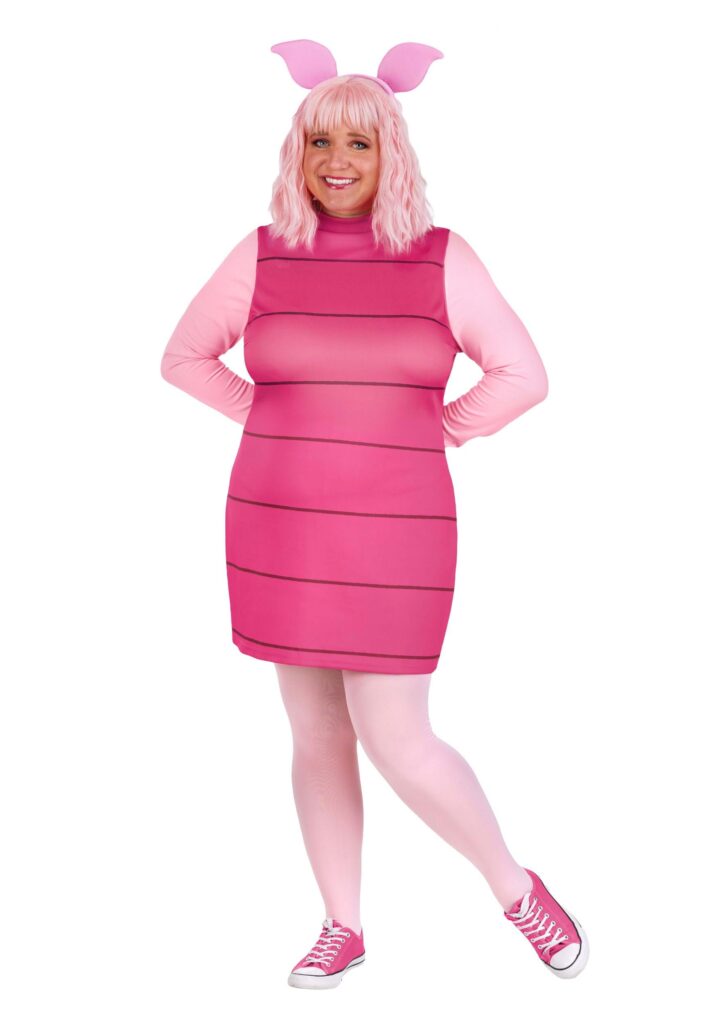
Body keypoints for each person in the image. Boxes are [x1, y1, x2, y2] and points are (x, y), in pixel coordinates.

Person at [160, 39, 589, 989]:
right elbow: (182, 358)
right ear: (297, 153)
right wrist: (271, 418)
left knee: (398, 737)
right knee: (315, 734)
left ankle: (517, 890)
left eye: (360, 141)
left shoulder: (441, 256)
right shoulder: (260, 252)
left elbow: (523, 376)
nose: (338, 161)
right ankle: (341, 925)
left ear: (391, 151)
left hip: (399, 533)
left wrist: (436, 432)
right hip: (278, 527)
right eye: (319, 142)